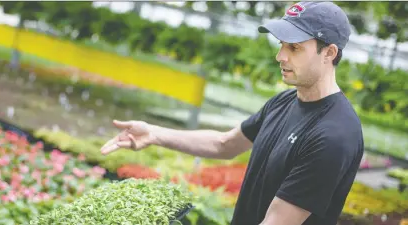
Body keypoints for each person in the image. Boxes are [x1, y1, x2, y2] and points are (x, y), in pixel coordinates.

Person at [100, 1, 364, 225]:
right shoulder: (284, 101)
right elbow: (224, 144)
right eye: (281, 44)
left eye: (294, 48)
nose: (280, 56)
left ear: (329, 53)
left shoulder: (333, 136)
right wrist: (154, 133)